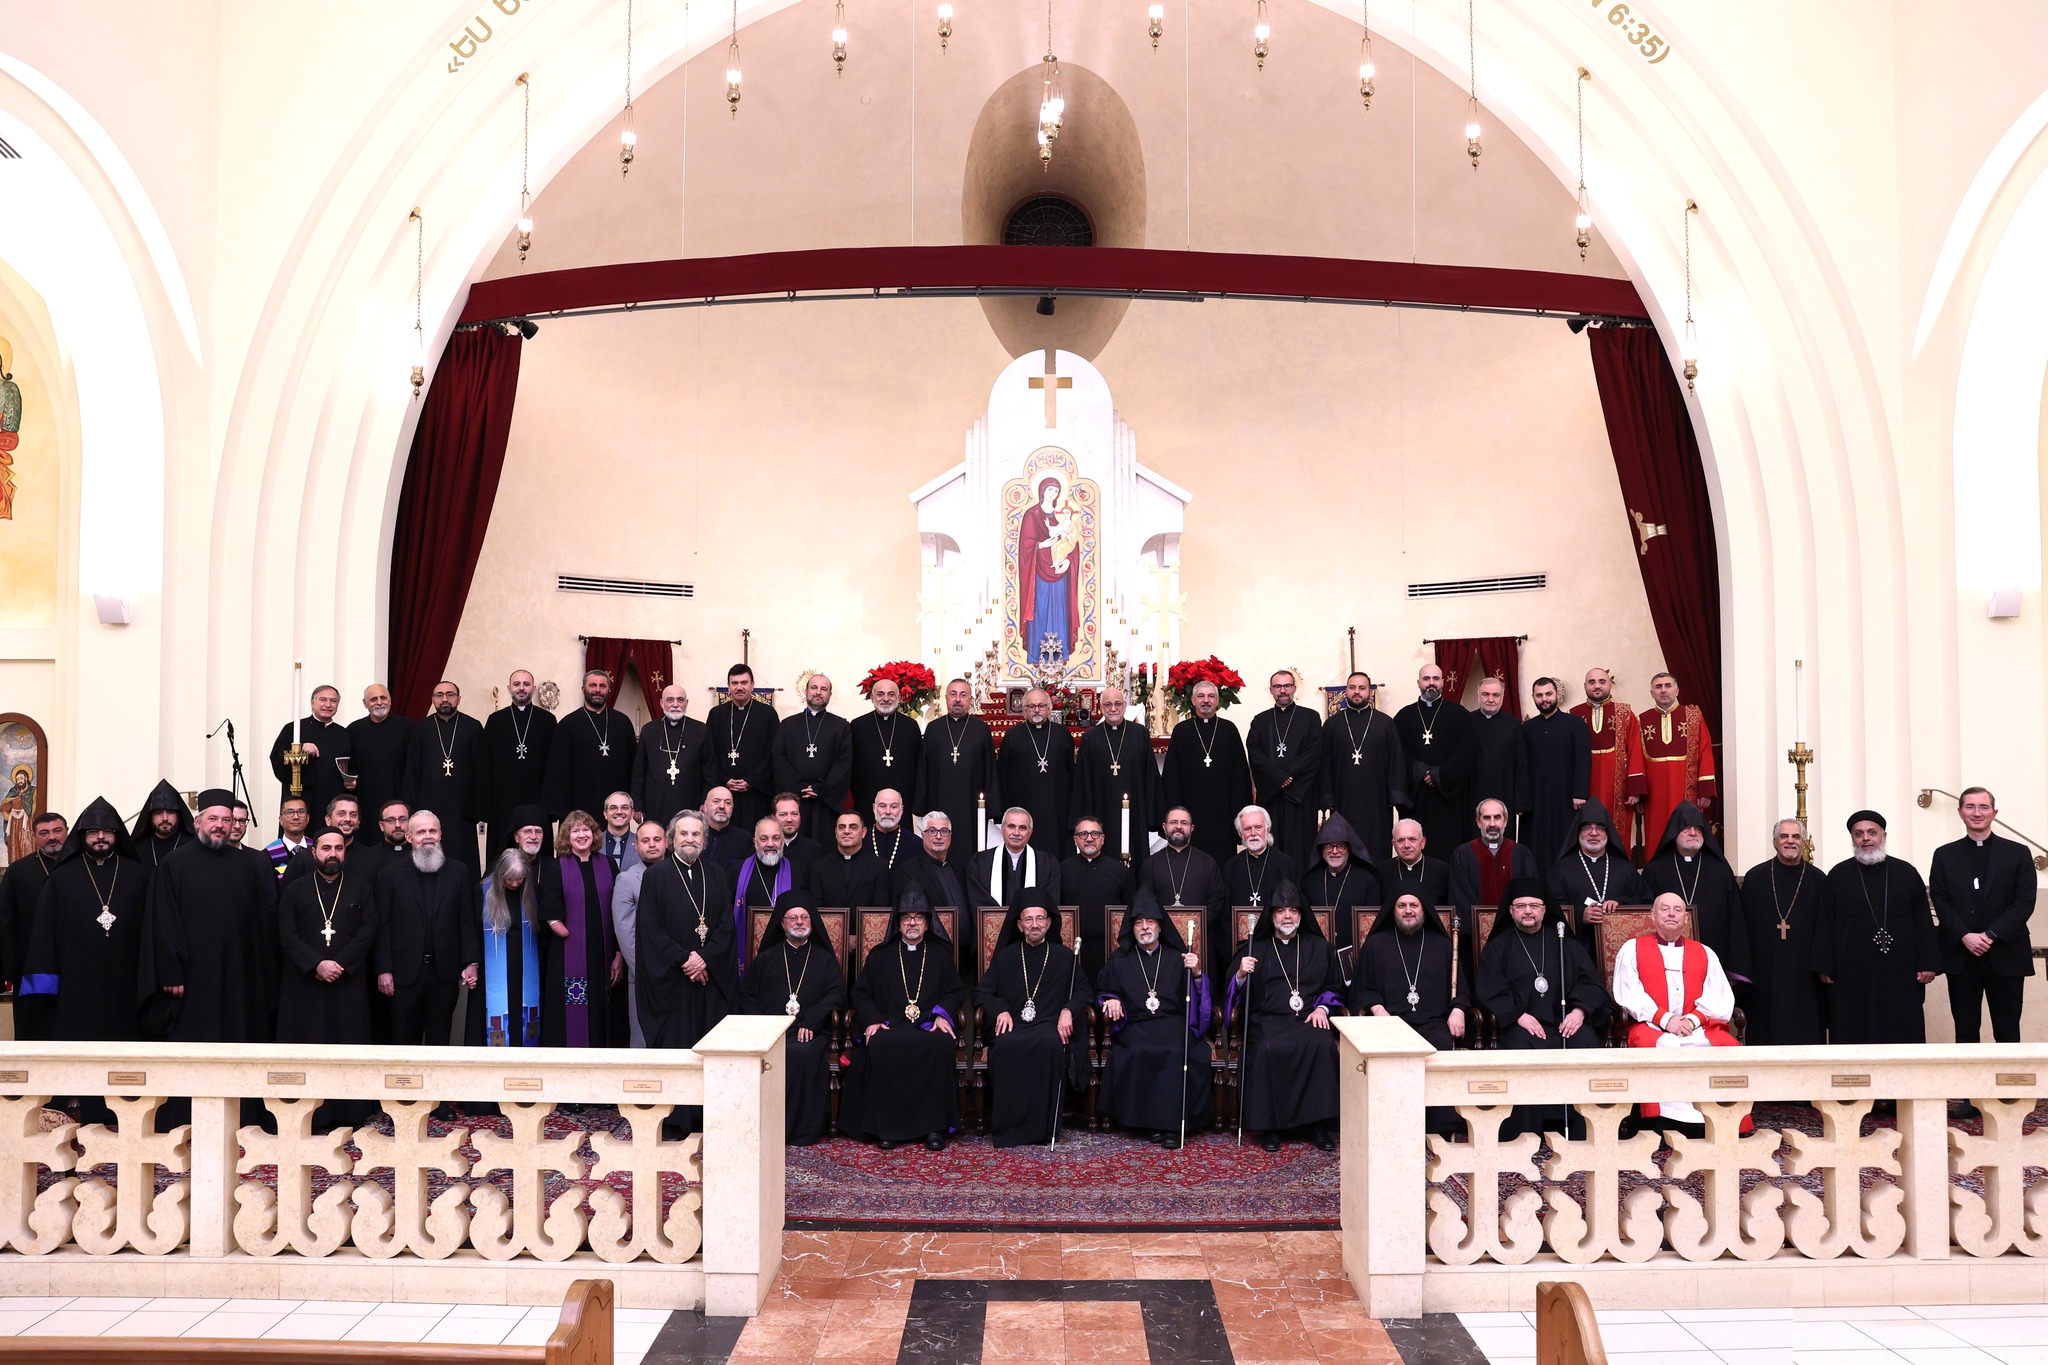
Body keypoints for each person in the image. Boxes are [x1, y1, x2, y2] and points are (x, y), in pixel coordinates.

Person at [136, 789, 278, 1043]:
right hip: (192, 973)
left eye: (226, 820)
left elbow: (260, 922)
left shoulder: (248, 865)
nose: (219, 826)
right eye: (213, 819)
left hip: (238, 970)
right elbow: (163, 922)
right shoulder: (173, 864)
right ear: (197, 822)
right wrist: (171, 972)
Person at [1476, 878, 1609, 1138]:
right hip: (1521, 1025)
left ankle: (1583, 1132)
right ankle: (1524, 1135)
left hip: (1564, 1023)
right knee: (1520, 1049)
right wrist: (1518, 1015)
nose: (1528, 911)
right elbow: (1490, 988)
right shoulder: (1499, 947)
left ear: (1544, 910)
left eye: (1534, 905)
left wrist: (1578, 1012)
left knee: (1586, 1042)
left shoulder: (1564, 942)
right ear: (1511, 911)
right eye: (1521, 906)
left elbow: (1591, 983)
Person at [839, 890, 965, 1150]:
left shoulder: (941, 955)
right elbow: (860, 992)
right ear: (897, 923)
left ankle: (934, 1128)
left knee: (940, 1044)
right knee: (881, 1043)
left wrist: (941, 1015)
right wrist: (873, 1019)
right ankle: (888, 1129)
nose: (912, 923)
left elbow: (955, 991)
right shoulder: (880, 955)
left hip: (928, 1025)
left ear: (928, 923)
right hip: (890, 1025)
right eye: (906, 917)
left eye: (919, 917)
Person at [18, 797, 145, 1049]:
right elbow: (44, 934)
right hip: (74, 978)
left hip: (126, 977)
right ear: (82, 835)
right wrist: (43, 985)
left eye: (107, 831)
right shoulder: (61, 877)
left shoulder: (140, 874)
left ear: (117, 835)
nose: (101, 837)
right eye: (93, 832)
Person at [1612, 892, 1741, 1132]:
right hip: (1651, 1024)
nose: (1671, 914)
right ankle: (1663, 1120)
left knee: (1725, 1046)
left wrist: (1691, 1021)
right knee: (1662, 1045)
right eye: (1664, 909)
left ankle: (1720, 1119)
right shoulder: (1632, 949)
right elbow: (1629, 993)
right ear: (1652, 915)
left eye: (1677, 910)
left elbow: (1719, 996)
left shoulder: (1704, 952)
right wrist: (1666, 1019)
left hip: (1696, 1027)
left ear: (1686, 918)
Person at [1227, 883, 1343, 1152]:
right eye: (1281, 910)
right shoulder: (1254, 948)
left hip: (1308, 1018)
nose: (1287, 916)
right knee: (1266, 1048)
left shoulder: (1320, 948)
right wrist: (1241, 974)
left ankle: (1318, 1124)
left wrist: (1322, 1009)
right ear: (1272, 916)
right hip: (1266, 1019)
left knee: (1322, 1045)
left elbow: (1334, 987)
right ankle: (1270, 1126)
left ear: (1301, 914)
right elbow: (1233, 994)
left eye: (1293, 910)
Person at [1097, 891, 1212, 1145]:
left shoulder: (1178, 959)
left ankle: (1173, 1126)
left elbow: (1197, 998)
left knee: (1177, 1051)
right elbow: (1105, 990)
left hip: (1172, 1023)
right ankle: (1147, 1122)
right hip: (1135, 1024)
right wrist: (1111, 999)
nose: (1145, 927)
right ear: (1132, 928)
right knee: (1137, 1051)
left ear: (1160, 926)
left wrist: (1196, 974)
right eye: (1138, 922)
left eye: (1150, 921)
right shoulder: (1119, 961)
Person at [1816, 811, 1940, 1044]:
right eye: (1859, 834)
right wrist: (1825, 965)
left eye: (1872, 832)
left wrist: (1928, 962)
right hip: (1851, 973)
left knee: (1901, 1029)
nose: (1866, 838)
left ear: (1884, 835)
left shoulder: (1906, 873)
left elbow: (1923, 921)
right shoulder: (1838, 875)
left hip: (1900, 971)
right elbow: (1825, 922)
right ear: (1852, 839)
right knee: (1853, 1029)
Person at [978, 897, 1092, 1148]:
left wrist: (1068, 1010)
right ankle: (1009, 1130)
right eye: (1028, 919)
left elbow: (1083, 992)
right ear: (1019, 925)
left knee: (1050, 1045)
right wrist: (1000, 1010)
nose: (1035, 924)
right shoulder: (1006, 957)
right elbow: (983, 992)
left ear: (1049, 923)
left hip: (1048, 1025)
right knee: (1004, 1046)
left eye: (1040, 918)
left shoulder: (1064, 957)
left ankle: (1043, 1130)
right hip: (1014, 1024)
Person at [1930, 787, 2037, 1045]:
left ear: (1994, 813)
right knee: (1965, 1032)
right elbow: (1940, 900)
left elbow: (2024, 902)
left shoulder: (2018, 853)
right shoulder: (1944, 855)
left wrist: (1991, 934)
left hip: (2006, 953)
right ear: (1960, 812)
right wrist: (1965, 935)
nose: (1976, 813)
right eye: (1970, 807)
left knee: (2008, 1031)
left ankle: (2009, 1074)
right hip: (1961, 955)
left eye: (1983, 807)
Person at [745, 893, 847, 1145]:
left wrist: (811, 1021)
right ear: (782, 924)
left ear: (811, 922)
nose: (799, 922)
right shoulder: (766, 959)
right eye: (793, 918)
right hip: (772, 1032)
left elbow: (837, 993)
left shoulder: (824, 959)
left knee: (801, 1052)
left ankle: (801, 1130)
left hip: (810, 1031)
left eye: (804, 917)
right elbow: (746, 994)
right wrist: (764, 1026)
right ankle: (767, 1125)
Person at [374, 809, 481, 1047]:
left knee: (440, 1042)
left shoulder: (459, 872)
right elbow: (383, 927)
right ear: (409, 837)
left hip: (444, 974)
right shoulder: (390, 875)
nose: (427, 836)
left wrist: (471, 961)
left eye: (432, 831)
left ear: (440, 834)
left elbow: (466, 920)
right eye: (421, 832)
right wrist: (384, 969)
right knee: (404, 1043)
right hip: (403, 976)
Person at [637, 810, 738, 1058]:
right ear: (672, 839)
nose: (690, 839)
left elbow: (726, 925)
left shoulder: (717, 874)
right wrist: (685, 958)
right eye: (683, 833)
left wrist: (705, 957)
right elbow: (650, 930)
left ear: (704, 840)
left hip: (710, 979)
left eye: (696, 834)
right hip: (673, 982)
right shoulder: (655, 876)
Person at [275, 827, 376, 1046]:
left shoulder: (362, 889)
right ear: (314, 852)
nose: (333, 854)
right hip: (305, 982)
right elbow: (287, 934)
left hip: (347, 980)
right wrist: (317, 964)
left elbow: (368, 932)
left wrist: (339, 964)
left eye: (339, 848)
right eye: (326, 848)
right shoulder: (294, 890)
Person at [537, 809, 626, 1047]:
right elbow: (549, 905)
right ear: (567, 837)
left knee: (603, 1007)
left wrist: (619, 953)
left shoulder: (609, 865)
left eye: (586, 829)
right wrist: (560, 927)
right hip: (568, 951)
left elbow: (619, 911)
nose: (581, 835)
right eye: (575, 831)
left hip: (604, 952)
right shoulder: (556, 867)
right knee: (572, 1007)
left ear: (594, 833)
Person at [1737, 819, 1828, 1046]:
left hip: (1806, 973)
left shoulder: (1819, 880)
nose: (1790, 841)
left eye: (1796, 837)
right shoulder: (1755, 878)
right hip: (1764, 970)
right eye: (1784, 836)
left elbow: (1826, 928)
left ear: (1804, 842)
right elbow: (1742, 928)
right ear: (1774, 842)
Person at [1643, 801, 1750, 983]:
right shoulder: (1656, 870)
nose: (1693, 833)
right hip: (1666, 956)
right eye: (1686, 828)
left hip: (1714, 953)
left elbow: (1735, 918)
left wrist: (1735, 966)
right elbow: (1644, 915)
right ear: (1674, 833)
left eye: (1698, 829)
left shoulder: (1720, 870)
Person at [1071, 686, 1162, 873]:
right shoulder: (1090, 738)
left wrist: (1151, 816)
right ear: (1101, 708)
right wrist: (1086, 819)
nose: (1113, 708)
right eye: (1108, 704)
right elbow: (1083, 781)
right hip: (1101, 810)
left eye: (1118, 704)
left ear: (1125, 706)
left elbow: (1150, 775)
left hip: (1135, 812)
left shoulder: (1140, 734)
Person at [1162, 680, 1252, 868]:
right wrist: (1175, 816)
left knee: (1223, 865)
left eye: (1211, 696)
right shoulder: (1182, 731)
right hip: (1190, 813)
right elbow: (1171, 777)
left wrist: (1239, 818)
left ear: (1217, 701)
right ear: (1193, 700)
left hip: (1223, 815)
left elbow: (1240, 778)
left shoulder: (1229, 730)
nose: (1206, 700)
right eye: (1201, 696)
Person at [1321, 673, 1407, 865]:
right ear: (1346, 691)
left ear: (1370, 691)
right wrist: (1327, 797)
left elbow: (1396, 760)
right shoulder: (1332, 725)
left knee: (1376, 850)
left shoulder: (1385, 723)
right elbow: (1325, 763)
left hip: (1377, 802)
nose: (1357, 692)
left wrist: (1395, 796)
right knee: (1345, 847)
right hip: (1343, 800)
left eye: (1362, 688)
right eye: (1352, 687)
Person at [401, 680, 486, 873]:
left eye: (450, 694)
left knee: (463, 857)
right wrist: (410, 809)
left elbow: (480, 771)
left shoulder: (472, 727)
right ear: (432, 700)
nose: (445, 699)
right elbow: (412, 771)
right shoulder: (421, 729)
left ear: (459, 699)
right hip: (428, 805)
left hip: (462, 809)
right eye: (439, 695)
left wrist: (480, 808)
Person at [1395, 664, 1477, 853]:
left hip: (1449, 799)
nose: (1431, 683)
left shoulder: (1460, 715)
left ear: (1443, 682)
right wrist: (1419, 770)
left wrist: (1440, 774)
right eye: (1426, 679)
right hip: (1416, 798)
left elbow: (1466, 752)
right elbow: (1398, 751)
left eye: (1435, 679)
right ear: (1418, 683)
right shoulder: (1403, 717)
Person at [1548, 799, 1648, 955]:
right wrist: (1580, 915)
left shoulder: (1625, 868)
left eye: (1600, 828)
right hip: (1576, 950)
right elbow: (1550, 908)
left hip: (1619, 950)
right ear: (1578, 832)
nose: (1593, 833)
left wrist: (1620, 904)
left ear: (1608, 833)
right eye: (1587, 827)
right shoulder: (1561, 869)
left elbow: (1646, 901)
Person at [915, 678, 1000, 858]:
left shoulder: (981, 729)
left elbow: (990, 770)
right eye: (953, 695)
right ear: (946, 698)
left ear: (970, 699)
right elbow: (923, 768)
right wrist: (920, 805)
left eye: (963, 695)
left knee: (968, 848)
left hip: (971, 805)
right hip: (939, 801)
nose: (958, 699)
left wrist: (992, 808)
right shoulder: (934, 728)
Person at [0, 809, 67, 1036]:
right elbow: (5, 921)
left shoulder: (80, 866)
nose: (52, 837)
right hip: (30, 964)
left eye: (57, 831)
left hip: (73, 962)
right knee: (34, 1027)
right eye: (44, 833)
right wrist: (8, 968)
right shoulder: (18, 871)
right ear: (34, 836)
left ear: (67, 832)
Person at [1146, 806, 1231, 982]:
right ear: (1164, 827)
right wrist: (1168, 928)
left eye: (1184, 823)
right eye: (1174, 822)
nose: (1178, 826)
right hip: (1163, 941)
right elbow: (1146, 903)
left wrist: (1193, 926)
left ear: (1191, 828)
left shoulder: (1208, 863)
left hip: (1200, 941)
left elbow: (1217, 901)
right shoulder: (1151, 864)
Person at [1637, 673, 1715, 863]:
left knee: (1687, 831)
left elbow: (1705, 750)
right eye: (1658, 687)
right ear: (1651, 693)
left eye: (1668, 686)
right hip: (1655, 794)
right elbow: (1636, 758)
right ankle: (1656, 875)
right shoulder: (1642, 720)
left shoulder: (1694, 716)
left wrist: (1705, 790)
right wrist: (1638, 792)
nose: (1663, 690)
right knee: (1656, 835)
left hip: (1687, 791)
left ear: (1677, 690)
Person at [1247, 670, 1324, 859]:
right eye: (1278, 686)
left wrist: (1288, 775)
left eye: (1287, 686)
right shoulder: (1260, 720)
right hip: (1272, 796)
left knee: (1302, 848)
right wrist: (1278, 777)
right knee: (1272, 847)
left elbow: (1314, 752)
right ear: (1271, 690)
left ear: (1294, 688)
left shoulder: (1310, 718)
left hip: (1301, 796)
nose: (1283, 690)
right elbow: (1254, 753)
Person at [470, 848, 543, 1047]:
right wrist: (471, 962)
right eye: (509, 879)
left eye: (519, 879)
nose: (514, 884)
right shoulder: (482, 892)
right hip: (493, 968)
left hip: (525, 967)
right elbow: (472, 931)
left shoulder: (533, 892)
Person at [545, 670, 637, 826]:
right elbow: (558, 772)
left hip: (615, 808)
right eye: (593, 685)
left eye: (602, 686)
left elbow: (634, 766)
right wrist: (559, 811)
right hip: (578, 806)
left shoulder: (623, 722)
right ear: (583, 689)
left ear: (609, 689)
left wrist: (635, 802)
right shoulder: (568, 724)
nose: (597, 690)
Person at [1520, 677, 1591, 878]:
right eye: (1539, 695)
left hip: (1566, 797)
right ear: (1533, 697)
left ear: (1557, 695)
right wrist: (1522, 801)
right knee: (1535, 844)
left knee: (1564, 842)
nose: (1544, 699)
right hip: (1535, 799)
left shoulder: (1575, 724)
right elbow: (1522, 766)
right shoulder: (1526, 728)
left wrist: (1580, 793)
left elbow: (1583, 760)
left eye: (1548, 694)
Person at [480, 670, 556, 856]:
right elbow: (485, 766)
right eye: (516, 684)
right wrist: (485, 807)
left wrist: (551, 807)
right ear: (509, 688)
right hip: (502, 802)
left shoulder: (547, 721)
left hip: (537, 801)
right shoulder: (495, 721)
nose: (521, 688)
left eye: (526, 684)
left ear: (533, 688)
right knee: (501, 852)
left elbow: (554, 768)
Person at [769, 673, 852, 844]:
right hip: (795, 801)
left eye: (824, 689)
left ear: (830, 694)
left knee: (825, 847)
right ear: (806, 691)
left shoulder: (841, 726)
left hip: (826, 801)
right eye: (814, 688)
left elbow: (844, 762)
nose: (818, 692)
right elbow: (779, 759)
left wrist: (821, 788)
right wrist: (798, 787)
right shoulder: (788, 725)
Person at [1571, 668, 1646, 852]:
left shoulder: (1625, 713)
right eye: (1592, 682)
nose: (1597, 686)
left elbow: (1635, 749)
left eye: (1602, 682)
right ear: (1585, 686)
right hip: (1584, 786)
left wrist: (1635, 789)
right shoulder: (1573, 714)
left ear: (1610, 684)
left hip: (1617, 787)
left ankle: (1618, 867)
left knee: (1617, 832)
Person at [610, 819, 669, 1047]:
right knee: (644, 1040)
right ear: (636, 845)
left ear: (666, 842)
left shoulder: (679, 875)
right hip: (644, 974)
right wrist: (647, 970)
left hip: (678, 973)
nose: (652, 844)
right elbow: (625, 932)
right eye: (645, 840)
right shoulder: (626, 879)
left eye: (657, 839)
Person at [701, 665, 780, 833]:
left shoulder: (768, 714)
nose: (739, 687)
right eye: (734, 683)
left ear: (752, 685)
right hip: (723, 793)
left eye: (744, 683)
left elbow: (773, 754)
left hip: (756, 793)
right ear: (728, 687)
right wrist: (724, 779)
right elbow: (709, 754)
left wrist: (751, 780)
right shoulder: (716, 715)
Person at [996, 688, 1073, 857]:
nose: (1036, 710)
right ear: (1024, 711)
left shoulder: (1062, 734)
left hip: (1057, 811)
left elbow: (1071, 774)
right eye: (1031, 706)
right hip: (1023, 808)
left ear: (1049, 708)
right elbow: (1002, 776)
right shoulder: (1012, 736)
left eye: (1041, 706)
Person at [1449, 798, 1538, 934]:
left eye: (1497, 817)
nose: (1492, 824)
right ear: (1478, 822)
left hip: (1515, 933)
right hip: (1475, 935)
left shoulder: (1521, 854)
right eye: (1486, 818)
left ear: (1505, 821)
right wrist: (1480, 927)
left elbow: (1530, 895)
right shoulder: (1463, 855)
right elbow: (1461, 898)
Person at [1061, 815, 1134, 977]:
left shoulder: (1120, 872)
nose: (1089, 839)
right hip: (1072, 948)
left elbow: (1130, 910)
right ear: (1075, 840)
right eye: (1083, 834)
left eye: (1095, 834)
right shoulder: (1062, 870)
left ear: (1103, 839)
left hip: (1111, 949)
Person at [732, 817, 803, 973]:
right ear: (755, 842)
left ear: (783, 840)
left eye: (776, 838)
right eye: (764, 839)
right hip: (747, 951)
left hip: (786, 949)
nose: (770, 844)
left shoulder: (797, 871)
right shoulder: (737, 872)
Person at [270, 683, 350, 819]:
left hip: (333, 798)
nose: (328, 704)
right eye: (323, 699)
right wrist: (299, 748)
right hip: (303, 798)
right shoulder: (293, 729)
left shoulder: (344, 734)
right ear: (312, 703)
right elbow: (277, 757)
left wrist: (351, 781)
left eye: (333, 701)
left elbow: (351, 764)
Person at [632, 684, 708, 830]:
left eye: (680, 700)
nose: (675, 704)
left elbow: (709, 769)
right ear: (661, 703)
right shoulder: (649, 731)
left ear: (686, 703)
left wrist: (705, 801)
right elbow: (639, 772)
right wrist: (638, 805)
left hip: (690, 800)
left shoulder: (701, 730)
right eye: (670, 700)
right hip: (656, 801)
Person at [346, 683, 415, 840]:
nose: (379, 702)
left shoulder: (408, 727)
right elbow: (349, 764)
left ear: (390, 701)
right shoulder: (354, 730)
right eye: (373, 699)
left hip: (399, 795)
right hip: (366, 799)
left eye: (383, 698)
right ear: (365, 703)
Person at [1303, 814, 1380, 953]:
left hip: (1356, 955)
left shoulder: (1367, 881)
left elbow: (1373, 927)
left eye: (1341, 846)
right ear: (1321, 849)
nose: (1334, 851)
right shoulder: (1310, 882)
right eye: (1329, 846)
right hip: (1318, 955)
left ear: (1349, 849)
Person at [851, 678, 922, 825]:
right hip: (866, 799)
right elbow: (850, 766)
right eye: (880, 694)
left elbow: (919, 765)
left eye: (891, 694)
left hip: (902, 799)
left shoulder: (910, 726)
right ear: (872, 698)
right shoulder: (857, 726)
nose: (886, 699)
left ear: (899, 698)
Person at [970, 807, 1063, 914]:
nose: (1016, 833)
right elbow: (978, 900)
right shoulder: (981, 862)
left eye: (1022, 828)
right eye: (1011, 826)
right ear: (1002, 829)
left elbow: (1050, 901)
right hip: (995, 924)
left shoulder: (1047, 864)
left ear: (1030, 832)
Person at [1467, 677, 1528, 840]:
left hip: (1504, 791)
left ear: (1502, 697)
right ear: (1478, 695)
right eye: (1485, 694)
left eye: (1496, 695)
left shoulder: (1514, 725)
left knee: (1504, 841)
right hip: (1472, 793)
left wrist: (1521, 801)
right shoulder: (1466, 722)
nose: (1490, 699)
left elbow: (1522, 764)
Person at [1223, 805, 1298, 916]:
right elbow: (1225, 912)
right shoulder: (1231, 867)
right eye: (1247, 829)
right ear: (1240, 833)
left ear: (1267, 829)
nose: (1253, 833)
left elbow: (1294, 907)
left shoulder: (1285, 864)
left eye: (1258, 827)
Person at [815, 810, 889, 907]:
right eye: (841, 827)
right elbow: (816, 908)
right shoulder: (819, 868)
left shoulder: (879, 867)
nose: (846, 831)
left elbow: (880, 909)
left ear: (863, 832)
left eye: (853, 827)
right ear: (836, 832)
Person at [1385, 819, 1452, 913]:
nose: (1406, 845)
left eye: (1412, 839)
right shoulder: (1383, 871)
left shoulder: (1442, 870)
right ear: (1394, 844)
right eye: (1400, 840)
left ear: (1422, 842)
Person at [130, 780, 194, 869]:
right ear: (150, 817)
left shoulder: (193, 846)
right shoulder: (137, 849)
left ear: (179, 816)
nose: (165, 818)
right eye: (158, 813)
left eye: (170, 812)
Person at [771, 792, 827, 874]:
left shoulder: (815, 851)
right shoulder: (763, 849)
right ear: (774, 817)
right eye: (783, 814)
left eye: (794, 814)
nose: (789, 819)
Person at [866, 789, 913, 879]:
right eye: (882, 806)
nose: (888, 812)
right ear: (874, 808)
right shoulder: (861, 841)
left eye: (893, 807)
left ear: (901, 810)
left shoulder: (916, 844)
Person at [701, 786, 750, 871]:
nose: (722, 806)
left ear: (732, 807)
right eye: (716, 801)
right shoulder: (694, 835)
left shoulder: (744, 839)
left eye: (727, 803)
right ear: (705, 806)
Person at [264, 797, 313, 877]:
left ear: (307, 819)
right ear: (280, 820)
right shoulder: (268, 854)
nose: (296, 817)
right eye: (290, 812)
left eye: (301, 812)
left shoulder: (316, 848)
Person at [598, 792, 641, 870]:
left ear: (632, 813)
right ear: (605, 814)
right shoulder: (593, 842)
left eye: (624, 807)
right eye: (613, 808)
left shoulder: (641, 843)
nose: (619, 812)